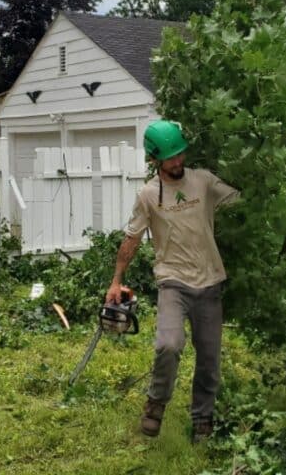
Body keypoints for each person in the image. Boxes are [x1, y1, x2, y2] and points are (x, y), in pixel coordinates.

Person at [105, 119, 239, 443]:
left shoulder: (204, 181)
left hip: (210, 282)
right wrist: (116, 279)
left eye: (180, 154)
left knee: (209, 359)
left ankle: (202, 420)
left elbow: (239, 201)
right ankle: (156, 403)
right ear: (155, 160)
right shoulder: (149, 195)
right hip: (173, 283)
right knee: (168, 344)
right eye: (170, 157)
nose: (177, 162)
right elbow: (132, 239)